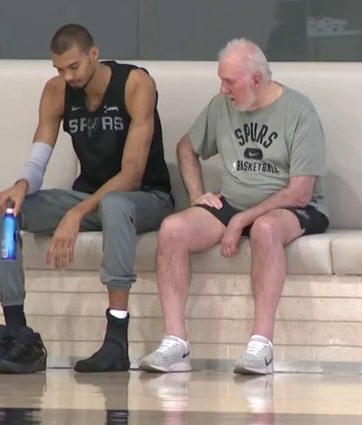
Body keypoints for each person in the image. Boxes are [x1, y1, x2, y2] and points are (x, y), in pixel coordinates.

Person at [0, 23, 173, 374]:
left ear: (94, 54)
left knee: (115, 204)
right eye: (60, 69)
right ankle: (18, 333)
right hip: (90, 199)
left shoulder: (136, 84)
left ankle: (116, 341)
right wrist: (22, 185)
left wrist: (76, 213)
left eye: (74, 66)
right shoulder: (56, 91)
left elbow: (131, 175)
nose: (68, 76)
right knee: (1, 207)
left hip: (146, 198)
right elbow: (38, 160)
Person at [140, 38, 329, 375]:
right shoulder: (221, 106)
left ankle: (261, 346)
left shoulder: (300, 112)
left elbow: (300, 192)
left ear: (256, 80)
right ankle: (175, 342)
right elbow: (186, 148)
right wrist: (198, 195)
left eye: (229, 82)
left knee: (265, 229)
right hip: (233, 202)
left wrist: (242, 220)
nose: (222, 89)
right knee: (172, 230)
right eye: (221, 81)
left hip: (293, 206)